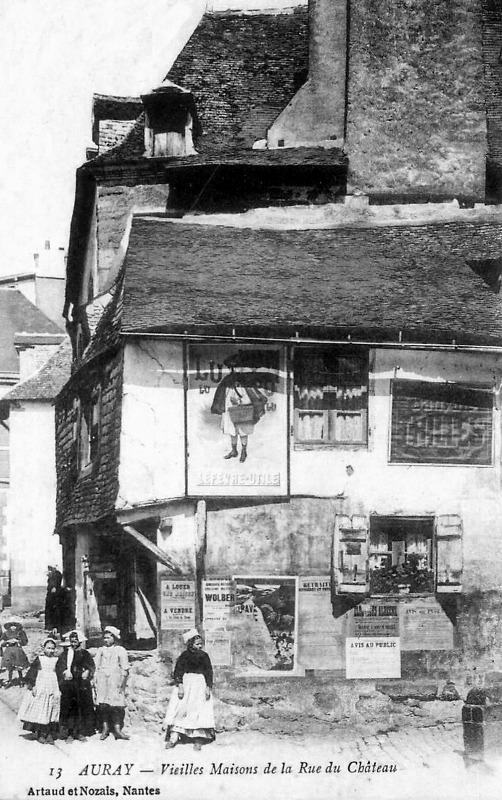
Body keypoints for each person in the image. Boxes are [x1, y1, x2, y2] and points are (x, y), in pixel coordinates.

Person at [163, 628, 215, 752]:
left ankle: (198, 739)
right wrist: (180, 686)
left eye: (201, 643)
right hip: (186, 684)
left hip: (199, 684)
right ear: (190, 644)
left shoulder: (204, 656)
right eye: (197, 644)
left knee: (198, 710)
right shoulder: (184, 656)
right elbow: (178, 672)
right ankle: (174, 737)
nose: (200, 646)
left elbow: (208, 672)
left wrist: (208, 687)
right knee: (181, 708)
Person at [17, 637, 61, 744]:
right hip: (41, 685)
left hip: (53, 684)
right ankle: (41, 733)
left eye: (52, 648)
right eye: (48, 648)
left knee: (52, 708)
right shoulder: (40, 659)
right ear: (44, 648)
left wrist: (59, 688)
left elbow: (59, 674)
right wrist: (33, 686)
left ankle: (50, 733)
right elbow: (32, 673)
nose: (50, 650)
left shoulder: (56, 660)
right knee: (42, 709)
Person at [56, 630, 96, 741]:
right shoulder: (65, 654)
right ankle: (69, 733)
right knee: (69, 708)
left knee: (82, 708)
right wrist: (65, 672)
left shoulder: (85, 653)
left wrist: (87, 671)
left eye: (76, 641)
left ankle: (80, 732)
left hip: (82, 685)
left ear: (80, 642)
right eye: (72, 642)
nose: (74, 644)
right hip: (69, 686)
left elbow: (91, 666)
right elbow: (59, 667)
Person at [93, 626, 130, 740]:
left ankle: (117, 729)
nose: (106, 640)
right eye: (105, 638)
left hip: (115, 679)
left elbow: (125, 668)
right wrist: (95, 680)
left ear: (114, 638)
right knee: (103, 705)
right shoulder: (101, 650)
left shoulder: (120, 650)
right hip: (102, 679)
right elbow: (96, 666)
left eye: (108, 638)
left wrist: (122, 683)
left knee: (116, 705)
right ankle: (105, 728)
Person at [0, 621, 29, 686]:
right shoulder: (6, 633)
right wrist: (8, 642)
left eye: (14, 626)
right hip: (9, 651)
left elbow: (25, 642)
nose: (13, 627)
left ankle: (21, 680)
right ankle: (10, 680)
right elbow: (1, 642)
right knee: (9, 666)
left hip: (17, 651)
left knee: (19, 666)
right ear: (9, 627)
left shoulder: (20, 632)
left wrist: (18, 641)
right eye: (11, 626)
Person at [45, 565, 63, 634]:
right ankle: (52, 627)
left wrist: (54, 587)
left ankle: (55, 627)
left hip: (54, 597)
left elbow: (55, 584)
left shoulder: (56, 574)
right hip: (51, 596)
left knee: (55, 611)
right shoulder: (52, 574)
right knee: (51, 611)